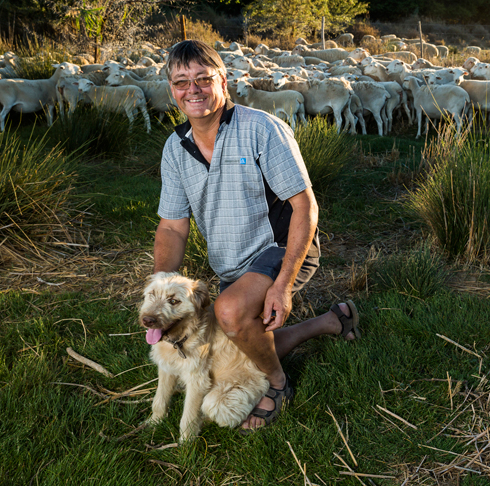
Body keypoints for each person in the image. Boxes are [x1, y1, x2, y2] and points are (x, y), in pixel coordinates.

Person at [152, 39, 360, 430]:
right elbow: (172, 227)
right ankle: (334, 321)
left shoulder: (262, 128)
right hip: (232, 262)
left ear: (223, 81)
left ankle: (279, 385)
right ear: (171, 89)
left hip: (280, 246)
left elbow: (305, 207)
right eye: (182, 82)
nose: (192, 90)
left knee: (229, 314)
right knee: (238, 344)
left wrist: (282, 286)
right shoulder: (175, 148)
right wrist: (164, 290)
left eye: (202, 79)